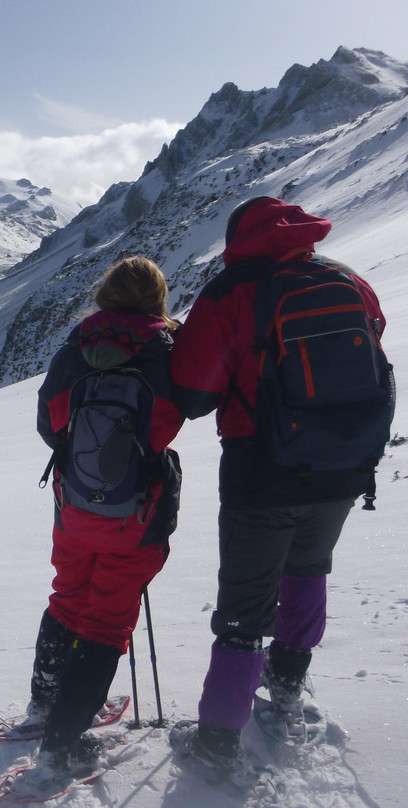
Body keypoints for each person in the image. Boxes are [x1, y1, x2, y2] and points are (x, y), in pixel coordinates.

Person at [168, 196, 391, 774]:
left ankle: (218, 740)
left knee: (245, 605)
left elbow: (193, 393)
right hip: (343, 464)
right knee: (309, 567)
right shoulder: (347, 280)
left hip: (261, 468)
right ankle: (288, 685)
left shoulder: (233, 292)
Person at [30, 255, 184, 768]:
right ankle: (62, 741)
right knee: (107, 621)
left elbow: (49, 424)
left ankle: (45, 698)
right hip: (137, 511)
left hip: (73, 502)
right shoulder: (165, 348)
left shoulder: (77, 343)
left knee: (68, 596)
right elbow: (184, 409)